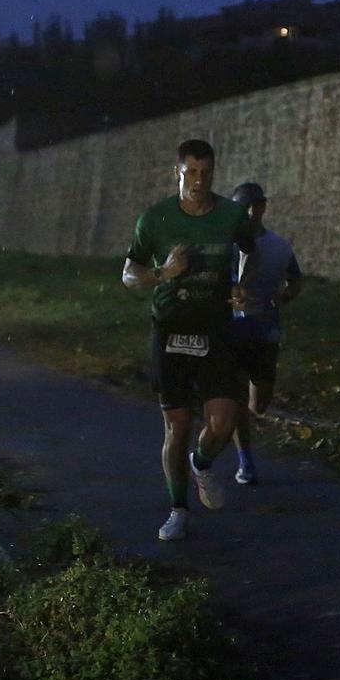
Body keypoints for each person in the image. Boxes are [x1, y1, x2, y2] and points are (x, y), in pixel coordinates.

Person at [123, 139, 255, 541]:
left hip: (215, 328)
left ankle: (202, 463)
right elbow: (129, 275)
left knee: (223, 420)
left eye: (206, 173)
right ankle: (178, 509)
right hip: (170, 327)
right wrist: (165, 273)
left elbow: (251, 252)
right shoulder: (155, 219)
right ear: (177, 173)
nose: (199, 181)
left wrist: (240, 284)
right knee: (177, 427)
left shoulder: (232, 216)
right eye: (191, 173)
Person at [225, 182, 304, 486]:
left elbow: (295, 279)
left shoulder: (278, 245)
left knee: (259, 401)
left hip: (265, 327)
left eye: (253, 206)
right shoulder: (226, 244)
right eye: (241, 208)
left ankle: (237, 420)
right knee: (236, 394)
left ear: (262, 207)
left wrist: (285, 296)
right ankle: (245, 460)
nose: (248, 213)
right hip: (231, 326)